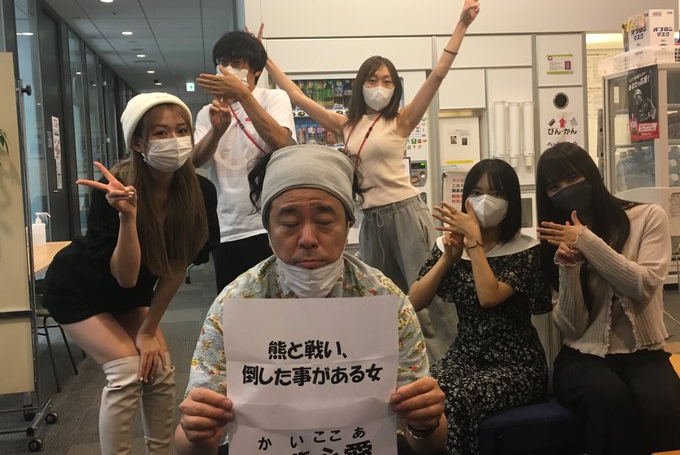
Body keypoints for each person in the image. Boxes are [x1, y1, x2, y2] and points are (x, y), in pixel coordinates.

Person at [173, 145, 448, 455]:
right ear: (267, 227)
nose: (307, 239)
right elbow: (187, 447)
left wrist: (425, 422)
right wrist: (198, 432)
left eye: (325, 221)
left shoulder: (385, 301)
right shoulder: (236, 304)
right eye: (289, 224)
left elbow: (431, 446)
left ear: (348, 223)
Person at [263, 0, 486, 295]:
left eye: (387, 81)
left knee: (427, 291)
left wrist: (462, 24)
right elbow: (299, 97)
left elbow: (437, 75)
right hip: (370, 219)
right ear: (361, 85)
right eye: (372, 80)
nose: (380, 86)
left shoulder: (401, 121)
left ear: (395, 88)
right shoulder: (346, 125)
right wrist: (265, 59)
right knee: (377, 293)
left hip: (405, 213)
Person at [41, 93, 219, 454]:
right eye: (161, 133)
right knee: (125, 370)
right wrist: (127, 216)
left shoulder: (200, 191)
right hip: (79, 287)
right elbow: (124, 275)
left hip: (131, 294)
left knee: (160, 368)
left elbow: (175, 267)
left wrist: (149, 330)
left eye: (182, 130)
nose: (174, 140)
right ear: (138, 143)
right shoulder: (117, 189)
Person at [535, 142, 680, 455]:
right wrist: (569, 268)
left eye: (572, 178)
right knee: (607, 399)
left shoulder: (648, 217)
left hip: (644, 352)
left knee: (664, 405)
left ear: (592, 174)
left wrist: (587, 242)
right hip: (581, 357)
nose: (565, 190)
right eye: (553, 186)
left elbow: (643, 285)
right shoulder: (555, 240)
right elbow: (571, 328)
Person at [409, 159, 551, 454]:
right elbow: (416, 300)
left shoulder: (525, 250)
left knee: (457, 398)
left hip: (517, 364)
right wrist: (448, 258)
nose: (486, 200)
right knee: (424, 393)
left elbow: (489, 296)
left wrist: (474, 244)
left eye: (497, 193)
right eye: (476, 191)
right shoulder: (450, 245)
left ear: (511, 201)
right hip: (465, 356)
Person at [193, 30, 296, 294]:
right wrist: (216, 131)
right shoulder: (207, 112)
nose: (228, 69)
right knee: (234, 303)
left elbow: (281, 142)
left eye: (238, 63)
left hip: (272, 221)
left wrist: (243, 96)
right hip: (228, 224)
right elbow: (195, 160)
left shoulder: (273, 98)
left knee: (279, 299)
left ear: (256, 70)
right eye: (223, 62)